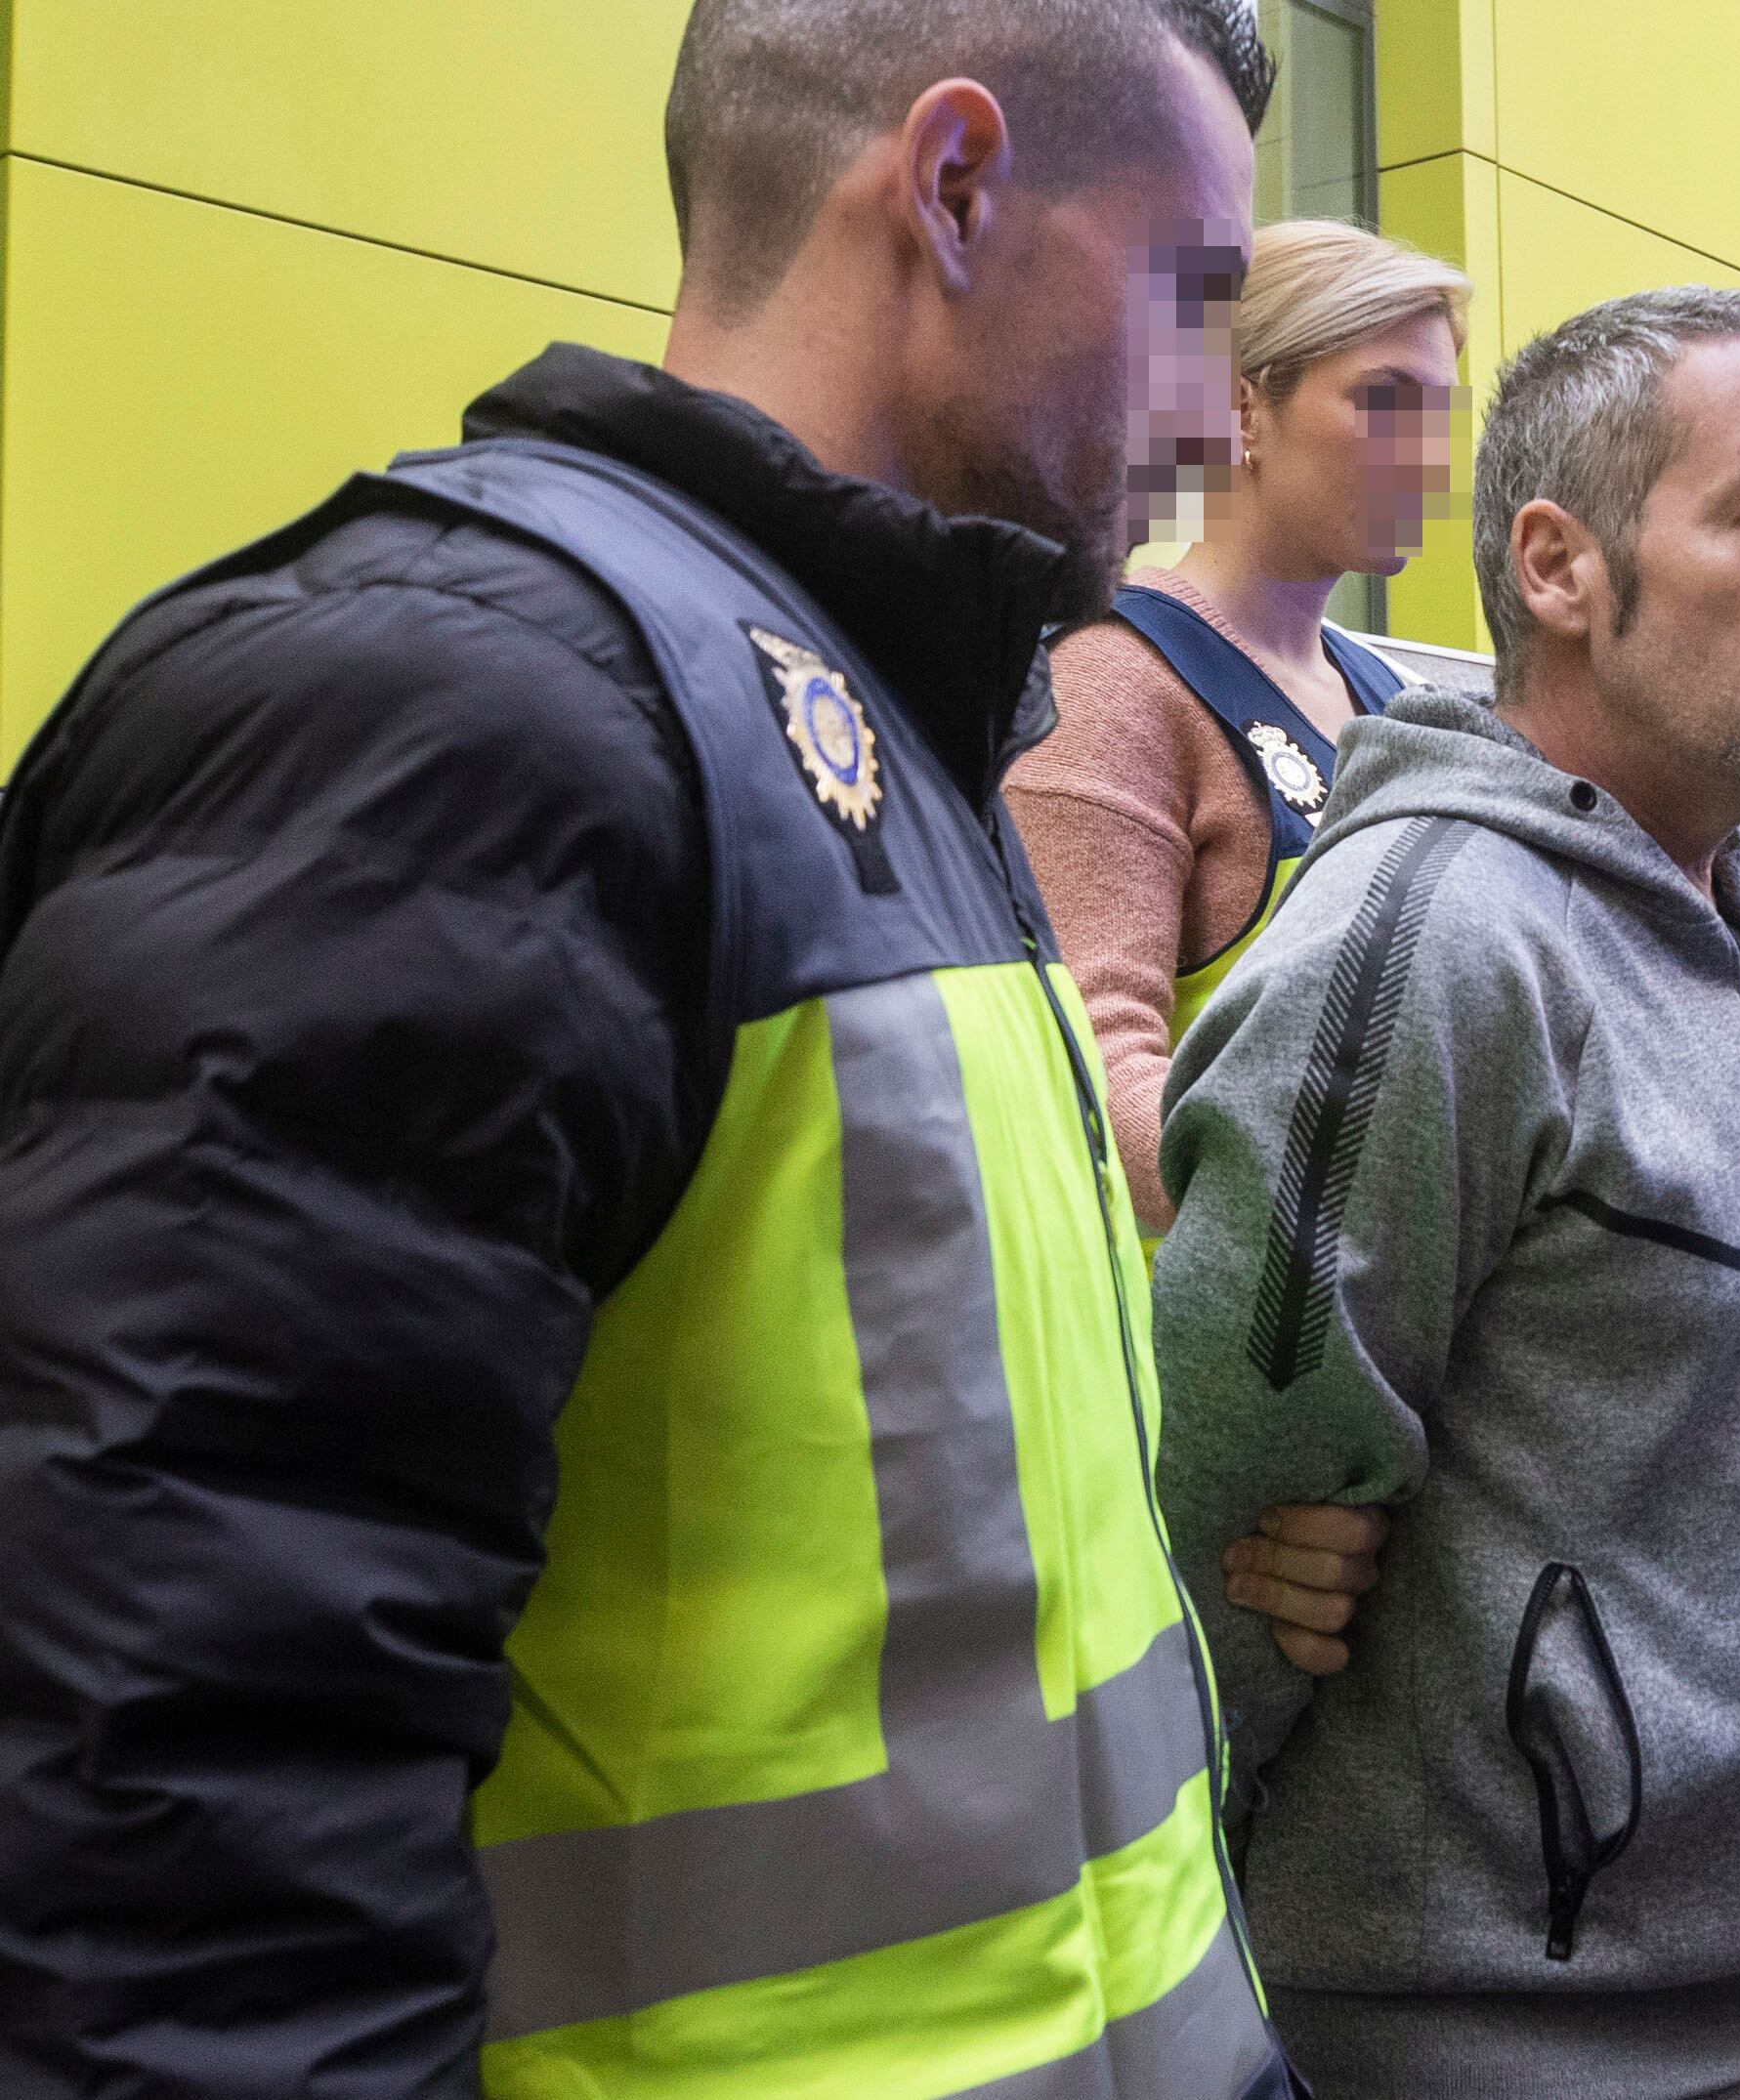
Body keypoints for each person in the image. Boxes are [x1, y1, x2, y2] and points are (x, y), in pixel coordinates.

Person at [0, 4, 1305, 2095]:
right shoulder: (461, 710)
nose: (1217, 427)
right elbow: (178, 1833)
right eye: (1187, 300)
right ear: (953, 186)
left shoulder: (898, 745)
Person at [1148, 287, 1740, 2100]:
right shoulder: (1434, 941)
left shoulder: (1733, 912)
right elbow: (1216, 1545)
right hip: (1494, 2041)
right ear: (1561, 567)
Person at [1012, 216, 1469, 1237]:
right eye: (1385, 402)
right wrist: (1350, 1232)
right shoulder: (1112, 679)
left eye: (1441, 414)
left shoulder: (1392, 696)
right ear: (1241, 408)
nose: (1427, 454)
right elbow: (1083, 1058)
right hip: (1200, 1343)